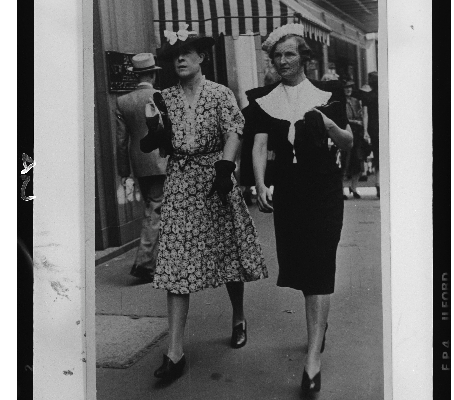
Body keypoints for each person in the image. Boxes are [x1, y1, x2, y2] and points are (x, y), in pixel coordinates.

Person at [141, 26, 267, 382]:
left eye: (188, 52)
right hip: (181, 183)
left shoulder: (219, 93)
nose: (180, 59)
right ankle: (175, 352)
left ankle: (239, 315)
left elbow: (235, 131)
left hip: (216, 179)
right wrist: (155, 131)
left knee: (227, 254)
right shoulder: (163, 97)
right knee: (176, 263)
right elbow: (160, 142)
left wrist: (226, 166)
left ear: (202, 57)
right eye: (174, 54)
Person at [244, 25, 354, 394]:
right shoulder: (262, 100)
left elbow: (348, 140)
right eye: (277, 55)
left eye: (290, 54)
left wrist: (326, 123)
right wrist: (259, 182)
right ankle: (318, 331)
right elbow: (259, 145)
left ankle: (312, 361)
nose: (283, 61)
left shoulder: (328, 93)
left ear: (303, 57)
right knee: (302, 265)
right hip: (288, 192)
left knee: (319, 264)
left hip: (322, 189)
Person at [113, 52, 169, 281]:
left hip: (139, 165)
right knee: (155, 211)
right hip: (163, 162)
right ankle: (145, 263)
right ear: (153, 75)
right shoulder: (160, 96)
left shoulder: (122, 101)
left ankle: (158, 260)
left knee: (154, 208)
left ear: (137, 75)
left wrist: (125, 171)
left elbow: (121, 142)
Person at [340, 79, 370, 199]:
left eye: (350, 87)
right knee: (344, 162)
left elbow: (361, 116)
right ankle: (342, 190)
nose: (348, 89)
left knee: (357, 161)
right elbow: (343, 118)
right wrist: (354, 121)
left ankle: (354, 187)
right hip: (346, 132)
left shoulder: (356, 101)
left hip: (357, 133)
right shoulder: (340, 102)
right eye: (346, 87)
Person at [351, 71, 379, 197]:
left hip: (374, 127)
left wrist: (366, 130)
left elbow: (366, 114)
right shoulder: (384, 94)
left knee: (377, 154)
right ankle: (380, 183)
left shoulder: (368, 96)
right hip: (384, 126)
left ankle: (378, 184)